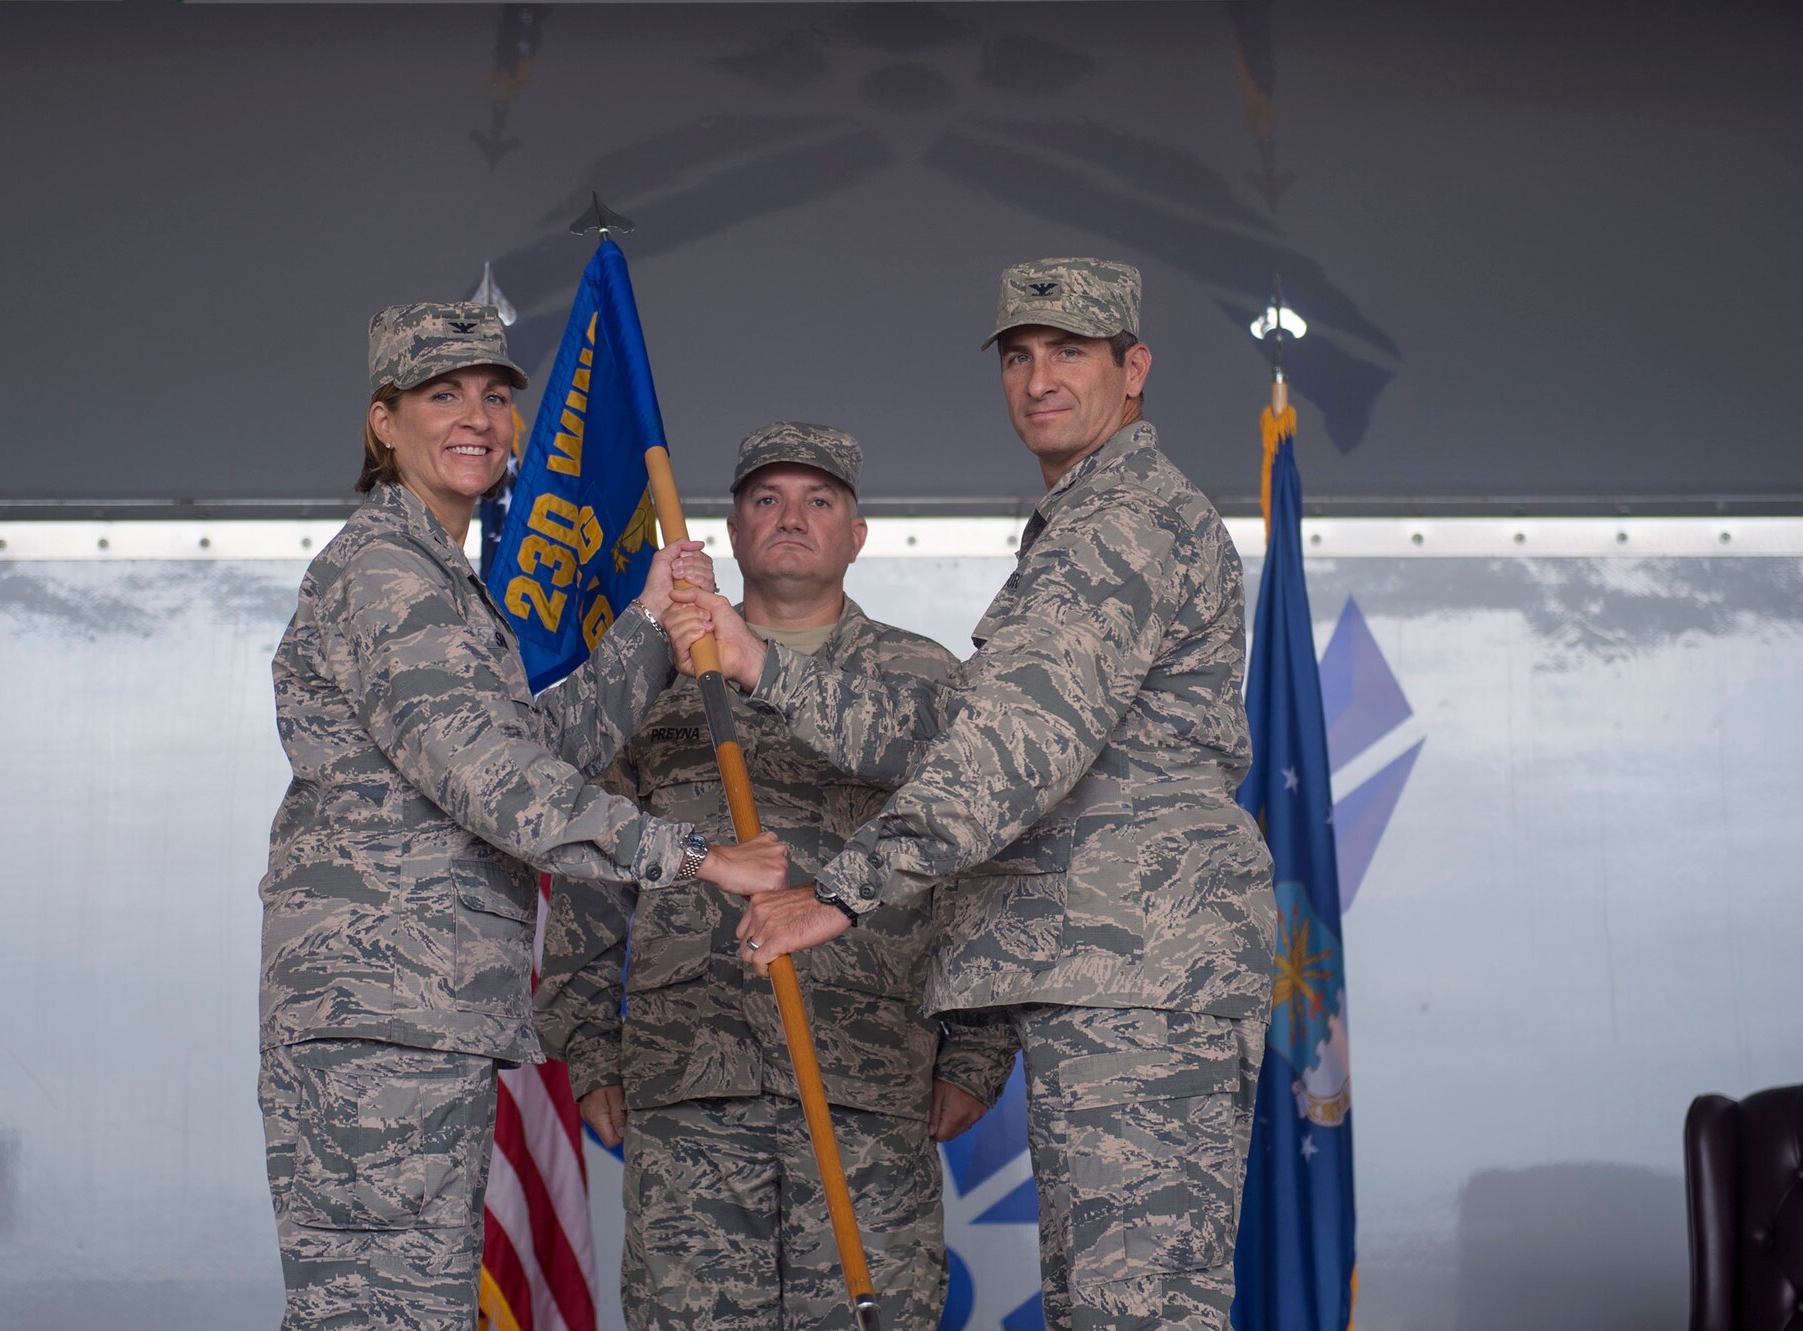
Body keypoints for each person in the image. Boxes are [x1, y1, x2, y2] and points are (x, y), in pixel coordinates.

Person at [668, 261, 1277, 1331]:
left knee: (1133, 1310)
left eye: (1069, 352)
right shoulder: (1082, 518)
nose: (1038, 378)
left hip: (1135, 970)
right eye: (1018, 354)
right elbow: (954, 734)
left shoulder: (1119, 522)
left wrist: (840, 892)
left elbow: (1007, 750)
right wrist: (761, 664)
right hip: (1107, 972)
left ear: (1132, 369)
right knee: (1102, 1304)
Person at [258, 301, 786, 1331]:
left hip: (416, 1020)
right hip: (381, 1019)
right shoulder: (384, 571)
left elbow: (539, 753)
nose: (480, 417)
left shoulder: (441, 578)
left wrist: (642, 620)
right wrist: (690, 855)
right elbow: (493, 780)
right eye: (442, 393)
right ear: (383, 421)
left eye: (496, 395)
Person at [537, 422, 1016, 1331]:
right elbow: (595, 871)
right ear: (729, 528)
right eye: (767, 499)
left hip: (869, 1088)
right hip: (690, 1084)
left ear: (859, 533)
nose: (791, 517)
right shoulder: (654, 680)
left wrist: (979, 1052)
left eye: (819, 499)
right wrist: (591, 1049)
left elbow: (979, 867)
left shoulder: (929, 680)